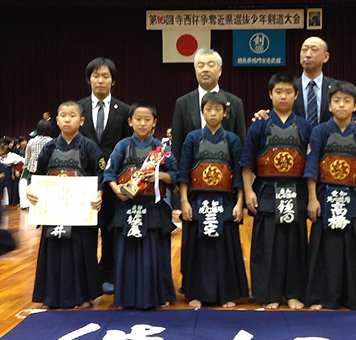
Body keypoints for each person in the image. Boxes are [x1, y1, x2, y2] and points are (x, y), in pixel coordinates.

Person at [305, 81, 356, 311]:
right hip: (325, 197)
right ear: (329, 106)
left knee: (354, 249)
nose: (341, 105)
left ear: (355, 105)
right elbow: (311, 167)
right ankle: (320, 297)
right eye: (336, 101)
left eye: (347, 101)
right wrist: (312, 198)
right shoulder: (319, 131)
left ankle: (355, 299)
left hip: (353, 199)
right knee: (324, 249)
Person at [241, 71, 312, 309]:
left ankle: (293, 292)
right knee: (267, 245)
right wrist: (249, 191)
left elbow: (311, 162)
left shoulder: (304, 126)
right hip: (267, 192)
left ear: (296, 95)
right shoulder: (259, 125)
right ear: (270, 94)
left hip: (296, 192)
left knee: (295, 245)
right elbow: (248, 162)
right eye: (278, 92)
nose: (283, 96)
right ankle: (268, 293)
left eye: (288, 92)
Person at [28, 100, 104, 309]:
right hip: (54, 211)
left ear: (81, 121)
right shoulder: (49, 147)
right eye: (63, 115)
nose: (67, 119)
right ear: (57, 120)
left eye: (72, 115)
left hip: (80, 212)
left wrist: (99, 193)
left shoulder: (89, 146)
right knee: (54, 253)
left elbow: (101, 174)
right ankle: (51, 296)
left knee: (80, 252)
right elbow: (35, 175)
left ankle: (84, 296)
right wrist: (30, 189)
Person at [103, 101, 177, 309]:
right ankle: (126, 297)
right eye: (138, 119)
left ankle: (157, 295)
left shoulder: (162, 149)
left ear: (154, 122)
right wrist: (116, 190)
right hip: (127, 207)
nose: (142, 123)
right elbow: (109, 173)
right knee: (128, 254)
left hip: (153, 209)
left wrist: (162, 175)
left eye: (147, 119)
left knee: (154, 253)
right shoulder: (122, 146)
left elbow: (175, 175)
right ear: (130, 121)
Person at [178, 92, 248, 309]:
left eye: (218, 109)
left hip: (225, 201)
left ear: (225, 113)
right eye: (208, 109)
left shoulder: (233, 139)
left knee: (224, 248)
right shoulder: (192, 138)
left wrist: (239, 203)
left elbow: (238, 173)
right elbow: (183, 172)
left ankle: (227, 293)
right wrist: (184, 201)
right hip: (197, 200)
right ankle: (195, 293)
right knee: (198, 250)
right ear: (202, 112)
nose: (213, 113)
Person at [78, 57, 133, 294]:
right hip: (83, 181)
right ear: (89, 79)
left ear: (113, 81)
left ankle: (109, 272)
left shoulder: (125, 110)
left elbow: (129, 147)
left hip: (113, 181)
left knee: (111, 228)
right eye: (95, 76)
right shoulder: (77, 109)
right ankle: (88, 276)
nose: (100, 80)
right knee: (86, 229)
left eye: (105, 76)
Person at [171, 48, 247, 165]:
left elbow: (241, 143)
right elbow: (177, 146)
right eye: (200, 66)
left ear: (220, 70)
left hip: (227, 174)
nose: (205, 69)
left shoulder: (235, 102)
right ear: (195, 71)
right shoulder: (182, 103)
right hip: (192, 175)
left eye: (211, 65)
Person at [21, 120, 53, 209]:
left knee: (34, 195)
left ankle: (36, 217)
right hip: (47, 171)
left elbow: (27, 159)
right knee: (47, 195)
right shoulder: (52, 141)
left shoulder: (31, 142)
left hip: (33, 171)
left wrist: (25, 172)